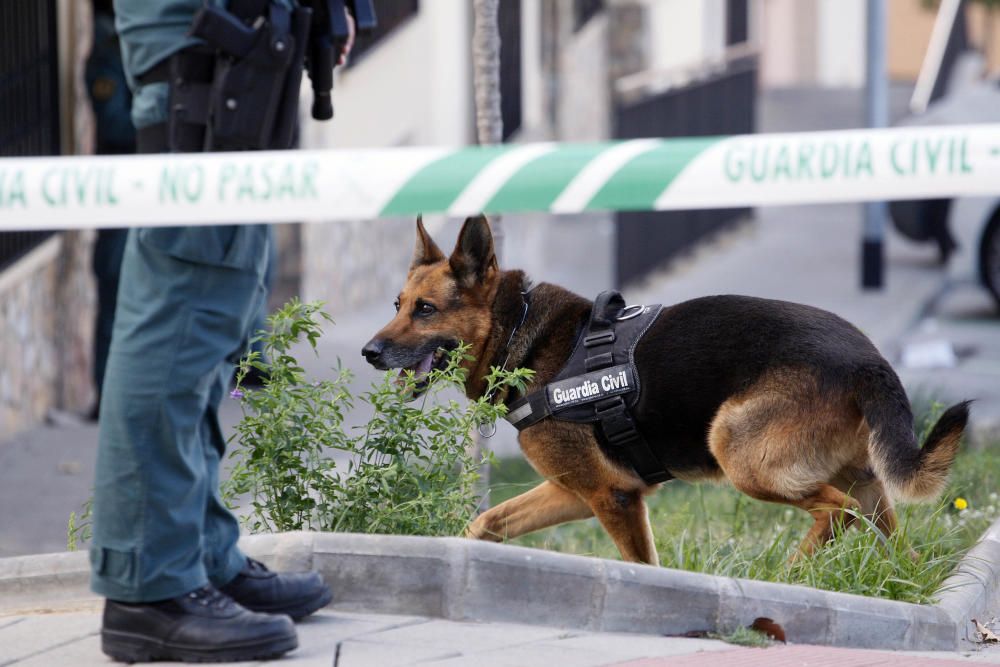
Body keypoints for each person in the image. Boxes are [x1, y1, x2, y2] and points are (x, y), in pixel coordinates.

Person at [90, 1, 353, 662]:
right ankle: (149, 589)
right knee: (185, 300)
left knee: (219, 308)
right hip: (197, 33)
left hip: (228, 29)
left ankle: (197, 556)